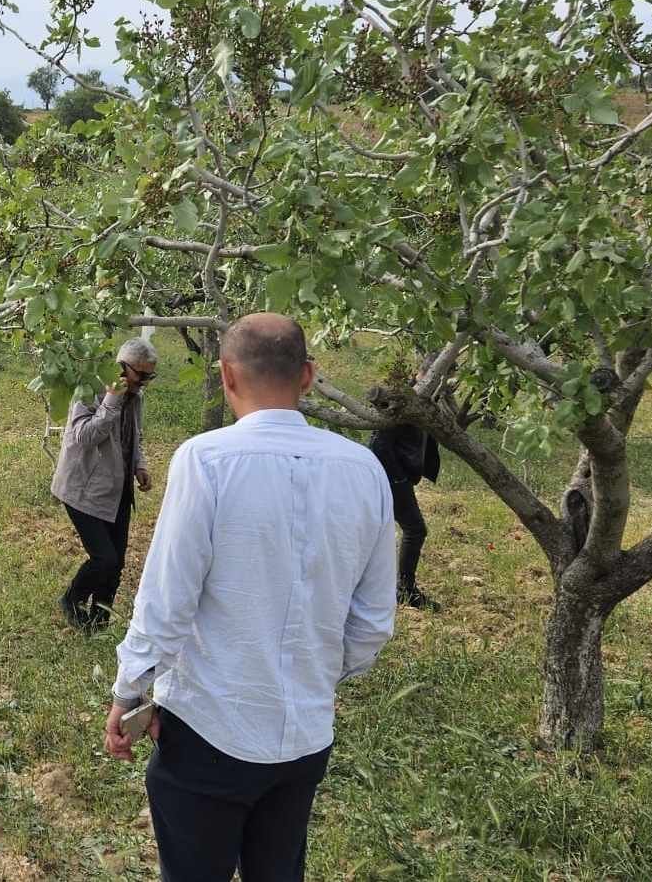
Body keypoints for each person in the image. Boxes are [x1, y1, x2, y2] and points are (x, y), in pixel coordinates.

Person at [103, 313, 398, 882]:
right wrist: (313, 675)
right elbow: (372, 621)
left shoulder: (206, 460)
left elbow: (167, 601)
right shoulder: (365, 469)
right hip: (305, 738)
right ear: (307, 376)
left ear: (227, 376)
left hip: (210, 728)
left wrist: (129, 690)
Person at [51, 337, 157, 632]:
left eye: (150, 376)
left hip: (116, 488)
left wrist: (139, 465)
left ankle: (98, 625)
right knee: (104, 559)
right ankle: (71, 599)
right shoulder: (90, 390)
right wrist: (111, 402)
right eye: (141, 375)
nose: (145, 382)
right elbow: (84, 437)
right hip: (82, 488)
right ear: (121, 367)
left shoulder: (137, 398)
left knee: (117, 563)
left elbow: (134, 435)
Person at [369, 419, 442, 611]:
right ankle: (405, 589)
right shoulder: (399, 407)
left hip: (397, 476)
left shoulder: (418, 405)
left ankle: (395, 586)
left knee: (377, 528)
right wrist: (397, 477)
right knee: (415, 529)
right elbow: (379, 444)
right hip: (392, 478)